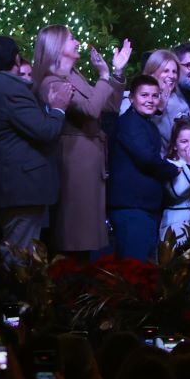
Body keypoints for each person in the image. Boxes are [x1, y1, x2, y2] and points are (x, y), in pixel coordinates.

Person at [0, 35, 73, 260]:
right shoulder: (11, 89)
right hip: (20, 186)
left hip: (8, 183)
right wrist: (58, 109)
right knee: (20, 254)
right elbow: (44, 131)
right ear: (16, 60)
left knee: (18, 247)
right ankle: (15, 295)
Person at [36, 26, 126, 261]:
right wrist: (104, 77)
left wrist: (115, 73)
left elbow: (110, 106)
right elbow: (90, 109)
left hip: (90, 159)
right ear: (57, 47)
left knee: (86, 237)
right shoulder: (50, 82)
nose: (77, 42)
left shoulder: (75, 75)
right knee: (75, 235)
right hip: (74, 161)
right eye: (71, 39)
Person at [104, 75, 179, 262]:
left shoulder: (146, 124)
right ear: (131, 98)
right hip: (131, 207)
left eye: (155, 96)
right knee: (134, 267)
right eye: (144, 95)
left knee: (144, 267)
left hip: (142, 207)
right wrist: (175, 169)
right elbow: (147, 158)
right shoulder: (130, 123)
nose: (150, 100)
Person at [162, 123, 190, 248]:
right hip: (176, 226)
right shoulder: (168, 164)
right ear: (175, 146)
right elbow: (177, 192)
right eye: (184, 141)